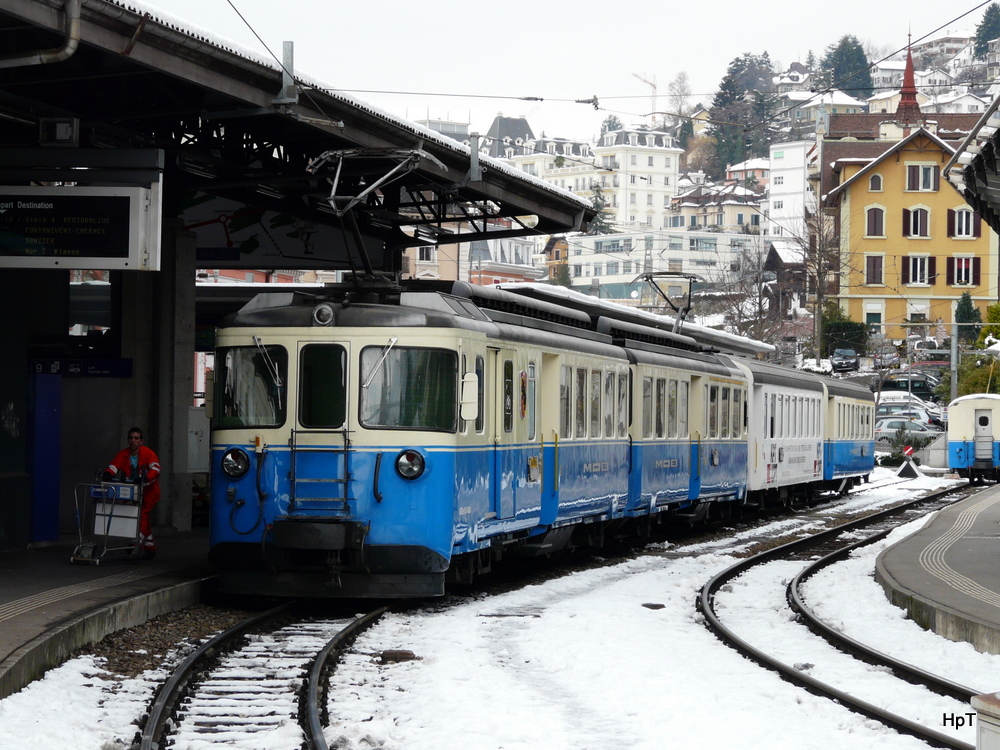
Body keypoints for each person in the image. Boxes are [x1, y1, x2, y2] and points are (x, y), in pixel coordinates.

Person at [103, 427, 161, 559]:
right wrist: (108, 473)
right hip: (133, 493)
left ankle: (135, 543)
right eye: (131, 438)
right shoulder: (123, 454)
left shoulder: (148, 453)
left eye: (136, 438)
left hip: (149, 493)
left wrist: (146, 478)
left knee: (142, 517)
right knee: (142, 519)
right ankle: (150, 548)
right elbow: (114, 466)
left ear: (141, 441)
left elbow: (156, 469)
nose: (133, 441)